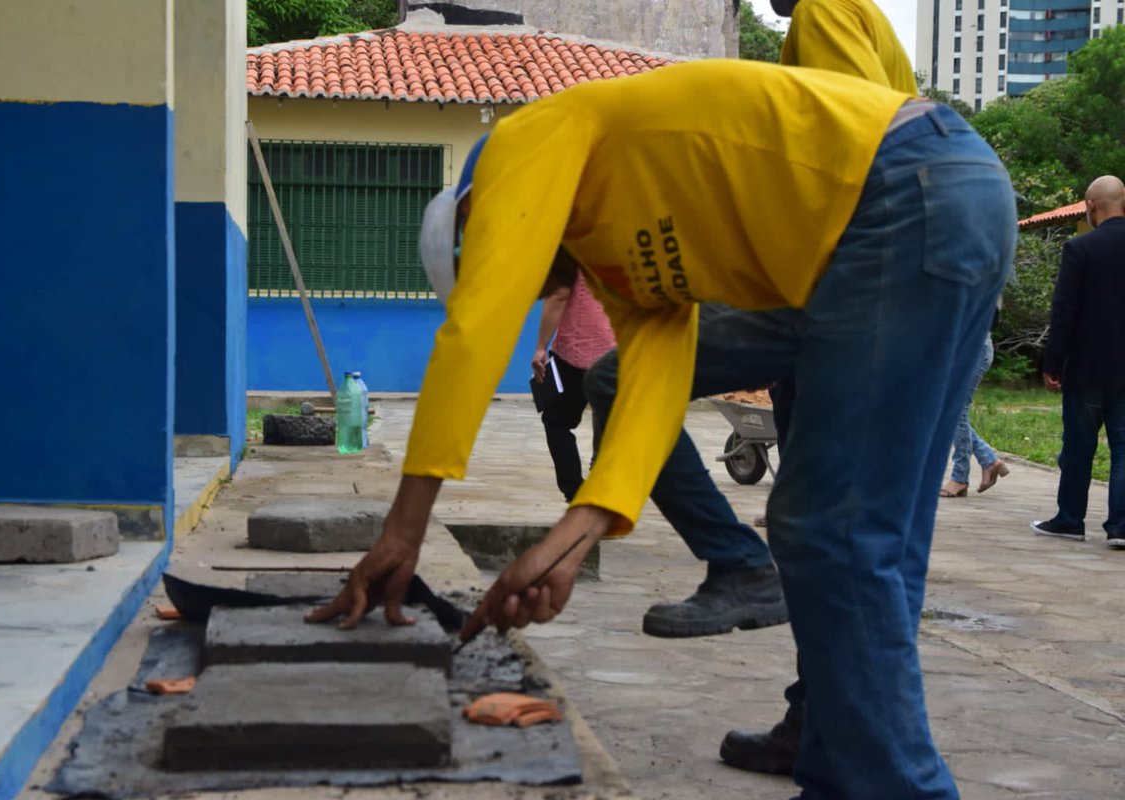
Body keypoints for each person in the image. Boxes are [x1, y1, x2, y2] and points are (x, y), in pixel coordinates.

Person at [307, 58, 1015, 800]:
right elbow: (655, 379)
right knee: (873, 539)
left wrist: (404, 527)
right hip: (916, 214)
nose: (543, 286)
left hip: (900, 196)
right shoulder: (616, 253)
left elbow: (475, 329)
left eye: (526, 269)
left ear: (476, 217)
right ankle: (842, 772)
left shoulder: (529, 137)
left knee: (834, 532)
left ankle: (901, 788)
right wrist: (572, 536)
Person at [582, 0, 923, 777]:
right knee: (829, 531)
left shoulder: (825, 7)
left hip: (845, 284)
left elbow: (851, 149)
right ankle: (816, 719)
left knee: (618, 379)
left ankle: (738, 562)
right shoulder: (848, 15)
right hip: (866, 283)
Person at [1031, 175, 1125, 548]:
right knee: (1123, 447)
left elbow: (1064, 311)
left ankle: (1070, 519)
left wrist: (1052, 362)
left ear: (1090, 205)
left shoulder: (1080, 248)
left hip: (1087, 366)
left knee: (1078, 447)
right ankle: (1120, 527)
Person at [532, 273, 616, 501]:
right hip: (620, 352)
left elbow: (559, 295)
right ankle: (606, 497)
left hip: (577, 353)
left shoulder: (573, 248)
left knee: (556, 422)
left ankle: (576, 492)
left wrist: (541, 346)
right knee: (611, 428)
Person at [939, 331, 1011, 498]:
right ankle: (990, 461)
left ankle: (960, 477)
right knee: (947, 411)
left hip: (971, 348)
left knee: (955, 409)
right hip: (961, 348)